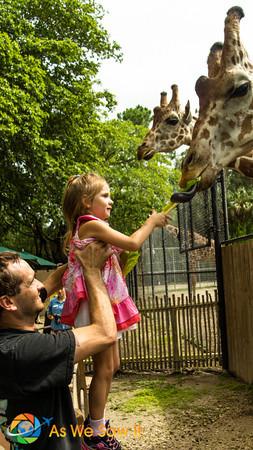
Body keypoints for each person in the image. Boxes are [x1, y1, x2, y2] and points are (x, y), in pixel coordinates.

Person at [61, 172, 170, 450]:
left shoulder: (89, 225)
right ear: (87, 202)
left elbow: (119, 252)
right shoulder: (89, 224)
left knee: (112, 366)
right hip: (95, 303)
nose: (111, 200)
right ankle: (94, 432)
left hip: (102, 300)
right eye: (105, 195)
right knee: (105, 368)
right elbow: (132, 242)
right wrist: (151, 222)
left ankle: (96, 425)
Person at [0, 243, 117, 450]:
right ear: (8, 303)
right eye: (31, 282)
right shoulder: (26, 352)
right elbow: (105, 333)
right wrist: (91, 270)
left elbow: (49, 285)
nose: (40, 285)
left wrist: (76, 257)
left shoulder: (7, 337)